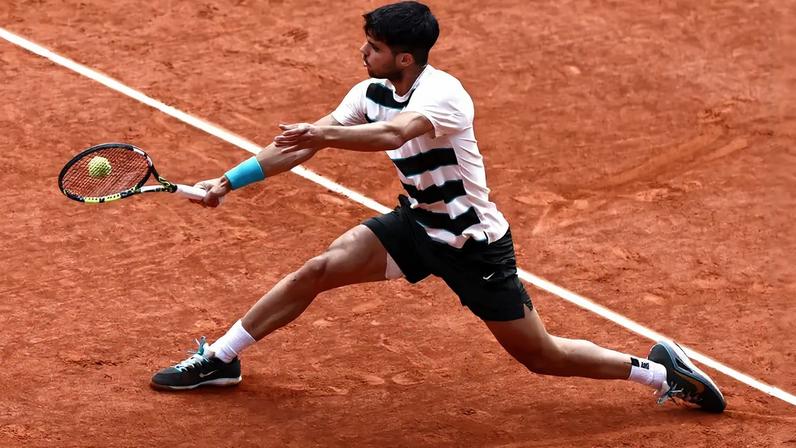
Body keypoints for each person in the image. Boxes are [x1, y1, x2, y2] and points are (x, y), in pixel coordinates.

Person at [150, 1, 725, 413]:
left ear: (403, 58)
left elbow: (391, 136)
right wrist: (226, 181)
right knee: (319, 268)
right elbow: (297, 145)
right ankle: (223, 358)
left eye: (372, 47)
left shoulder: (443, 95)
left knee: (540, 356)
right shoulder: (368, 90)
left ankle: (657, 370)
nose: (362, 52)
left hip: (472, 243)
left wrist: (323, 136)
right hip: (416, 224)